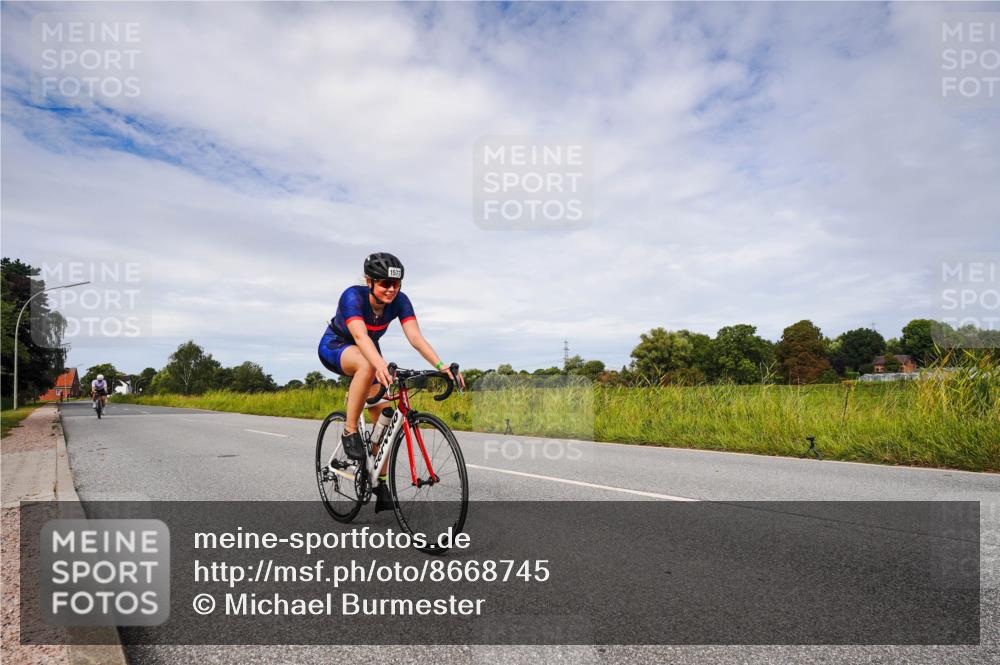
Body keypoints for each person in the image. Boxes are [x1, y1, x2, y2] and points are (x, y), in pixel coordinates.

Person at [317, 252, 463, 511]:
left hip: (370, 351)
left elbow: (416, 338)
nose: (391, 290)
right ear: (369, 281)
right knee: (366, 364)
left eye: (396, 284)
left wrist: (441, 366)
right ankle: (350, 430)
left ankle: (378, 481)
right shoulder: (352, 296)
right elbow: (361, 338)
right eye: (384, 283)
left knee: (384, 419)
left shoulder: (400, 301)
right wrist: (380, 365)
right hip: (338, 345)